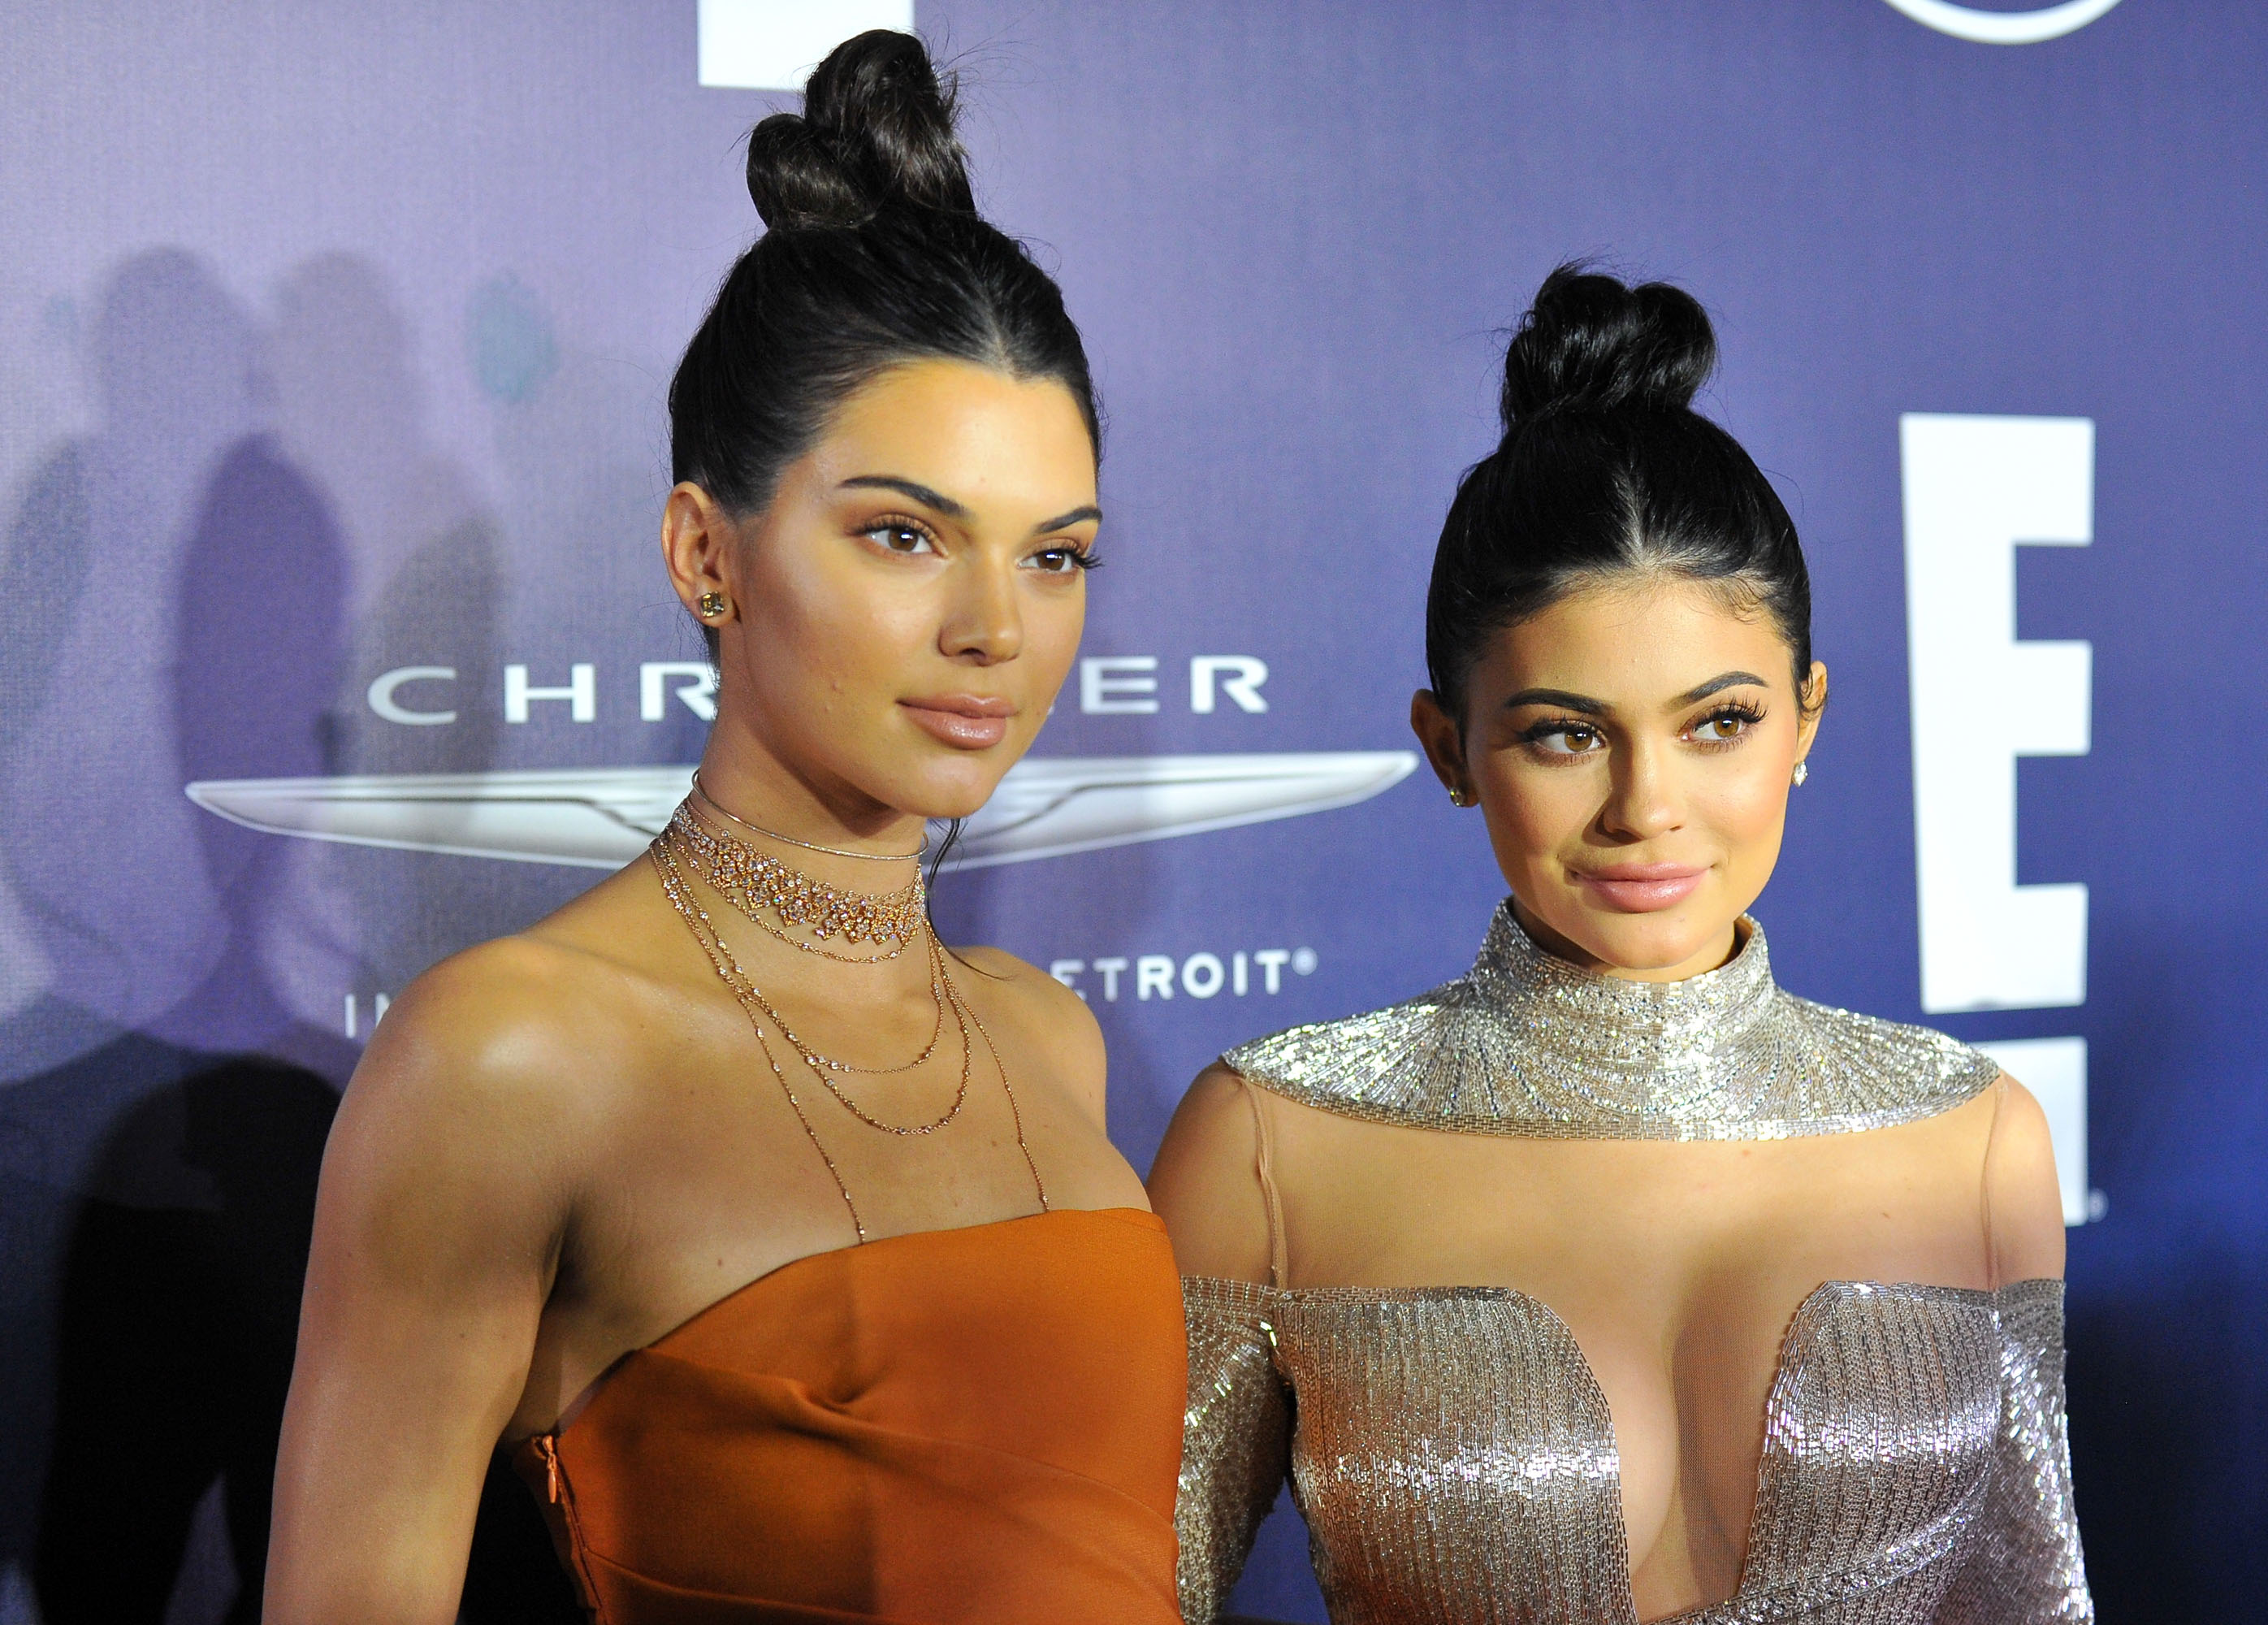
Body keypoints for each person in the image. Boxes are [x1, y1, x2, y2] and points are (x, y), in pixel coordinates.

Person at [266, 32, 1188, 1625]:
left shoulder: (1051, 1042)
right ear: (707, 553)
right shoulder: (508, 1056)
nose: (999, 627)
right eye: (905, 534)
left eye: (1057, 555)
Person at [1149, 267, 2092, 1624]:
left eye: (1720, 722)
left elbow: (2033, 1605)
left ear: (1808, 718)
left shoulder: (1980, 1136)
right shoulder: (1268, 1142)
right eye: (1564, 733)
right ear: (1449, 749)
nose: (1648, 807)